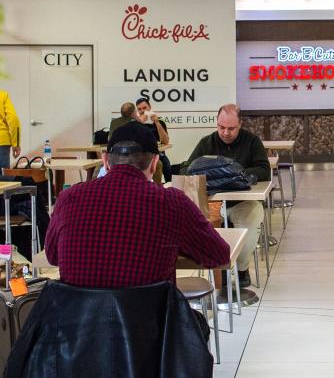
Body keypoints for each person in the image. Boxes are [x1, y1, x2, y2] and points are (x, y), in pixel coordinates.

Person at [45, 121, 230, 288]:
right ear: (154, 163)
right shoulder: (172, 203)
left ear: (105, 162)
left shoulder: (68, 198)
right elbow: (219, 255)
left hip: (79, 323)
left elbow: (52, 256)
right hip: (148, 323)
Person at [184, 104, 270, 289]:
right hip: (211, 204)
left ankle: (242, 269)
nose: (225, 133)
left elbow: (264, 170)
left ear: (240, 125)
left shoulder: (252, 142)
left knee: (252, 217)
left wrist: (236, 174)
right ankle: (218, 266)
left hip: (241, 203)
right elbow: (187, 169)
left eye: (231, 129)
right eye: (221, 127)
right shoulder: (207, 143)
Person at [136, 97, 172, 182]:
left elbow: (165, 141)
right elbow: (134, 141)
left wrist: (157, 122)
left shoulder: (160, 121)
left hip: (158, 153)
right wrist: (140, 123)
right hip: (141, 154)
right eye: (139, 109)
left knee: (166, 165)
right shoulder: (135, 123)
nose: (142, 111)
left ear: (150, 107)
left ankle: (169, 188)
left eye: (145, 108)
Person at [0, 89, 21, 170]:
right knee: (3, 177)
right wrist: (16, 144)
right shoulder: (2, 96)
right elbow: (13, 119)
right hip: (1, 141)